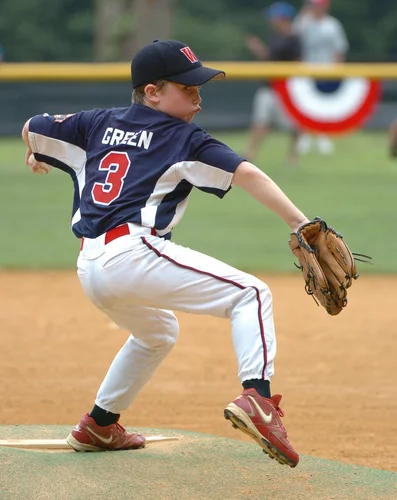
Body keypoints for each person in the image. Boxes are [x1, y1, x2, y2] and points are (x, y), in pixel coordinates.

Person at [21, 39, 310, 467]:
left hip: (91, 267)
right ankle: (258, 400)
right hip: (133, 253)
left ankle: (99, 425)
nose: (198, 95)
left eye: (198, 86)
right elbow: (246, 172)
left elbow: (33, 125)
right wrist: (299, 223)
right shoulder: (183, 138)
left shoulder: (96, 122)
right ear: (152, 92)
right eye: (187, 88)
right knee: (250, 293)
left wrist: (33, 148)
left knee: (158, 333)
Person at [244, 1, 301, 164]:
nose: (271, 20)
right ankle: (250, 153)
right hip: (268, 86)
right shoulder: (275, 36)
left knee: (294, 124)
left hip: (285, 88)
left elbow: (297, 62)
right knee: (260, 120)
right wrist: (258, 49)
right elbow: (270, 58)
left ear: (283, 18)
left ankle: (293, 155)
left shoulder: (294, 39)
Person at [293, 0, 349, 155]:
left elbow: (339, 49)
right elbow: (294, 41)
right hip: (306, 69)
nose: (314, 8)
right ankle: (304, 135)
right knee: (304, 102)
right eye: (311, 4)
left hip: (326, 69)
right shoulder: (303, 22)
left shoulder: (332, 25)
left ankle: (323, 134)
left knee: (323, 102)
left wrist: (338, 69)